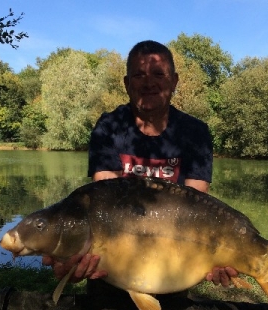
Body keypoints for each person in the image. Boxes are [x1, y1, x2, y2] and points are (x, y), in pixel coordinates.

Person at [42, 40, 238, 291]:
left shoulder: (195, 133)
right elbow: (103, 206)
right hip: (111, 273)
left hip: (173, 269)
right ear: (126, 83)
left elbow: (198, 209)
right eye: (139, 75)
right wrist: (74, 258)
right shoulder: (109, 127)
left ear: (174, 81)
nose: (149, 83)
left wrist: (216, 257)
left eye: (158, 74)